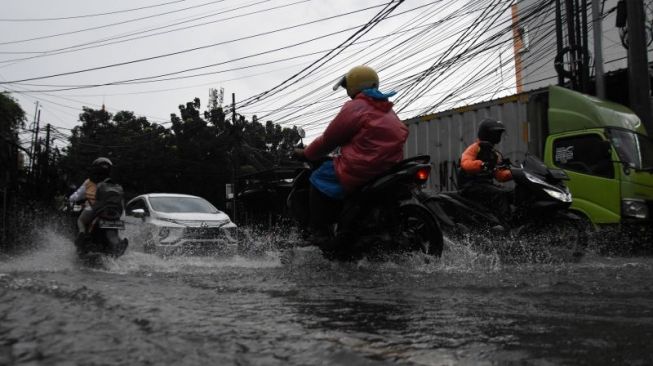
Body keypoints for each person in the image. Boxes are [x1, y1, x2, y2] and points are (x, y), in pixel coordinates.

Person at [294, 65, 408, 243]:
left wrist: (307, 153)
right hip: (388, 168)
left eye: (347, 86)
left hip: (361, 168)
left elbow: (328, 140)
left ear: (354, 85)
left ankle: (320, 232)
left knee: (318, 177)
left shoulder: (356, 107)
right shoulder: (387, 109)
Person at [458, 118, 513, 221]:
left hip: (486, 185)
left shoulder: (494, 153)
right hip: (471, 185)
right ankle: (506, 224)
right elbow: (465, 163)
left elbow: (499, 175)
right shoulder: (475, 148)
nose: (498, 136)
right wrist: (481, 165)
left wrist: (514, 173)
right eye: (496, 133)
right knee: (499, 194)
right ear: (487, 133)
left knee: (512, 193)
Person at [68, 157, 113, 246]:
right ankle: (117, 242)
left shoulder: (89, 182)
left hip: (92, 208)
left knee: (80, 220)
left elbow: (77, 196)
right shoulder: (111, 182)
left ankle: (82, 233)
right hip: (110, 210)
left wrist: (71, 198)